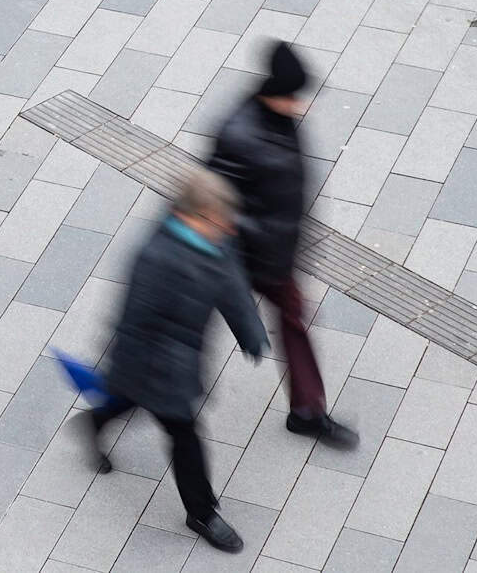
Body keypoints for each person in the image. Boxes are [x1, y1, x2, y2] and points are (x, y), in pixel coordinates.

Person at [83, 168, 268, 554]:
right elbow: (136, 326)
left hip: (174, 361)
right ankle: (201, 512)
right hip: (153, 366)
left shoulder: (214, 238)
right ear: (192, 216)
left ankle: (93, 423)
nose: (227, 229)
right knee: (184, 436)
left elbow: (229, 282)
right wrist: (171, 386)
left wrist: (249, 330)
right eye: (220, 221)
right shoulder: (156, 259)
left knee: (123, 400)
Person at [208, 40, 359, 450]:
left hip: (274, 258)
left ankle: (307, 412)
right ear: (275, 93)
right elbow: (212, 200)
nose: (302, 106)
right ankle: (118, 401)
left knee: (293, 320)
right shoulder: (237, 135)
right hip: (238, 261)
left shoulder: (277, 120)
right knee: (179, 333)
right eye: (294, 97)